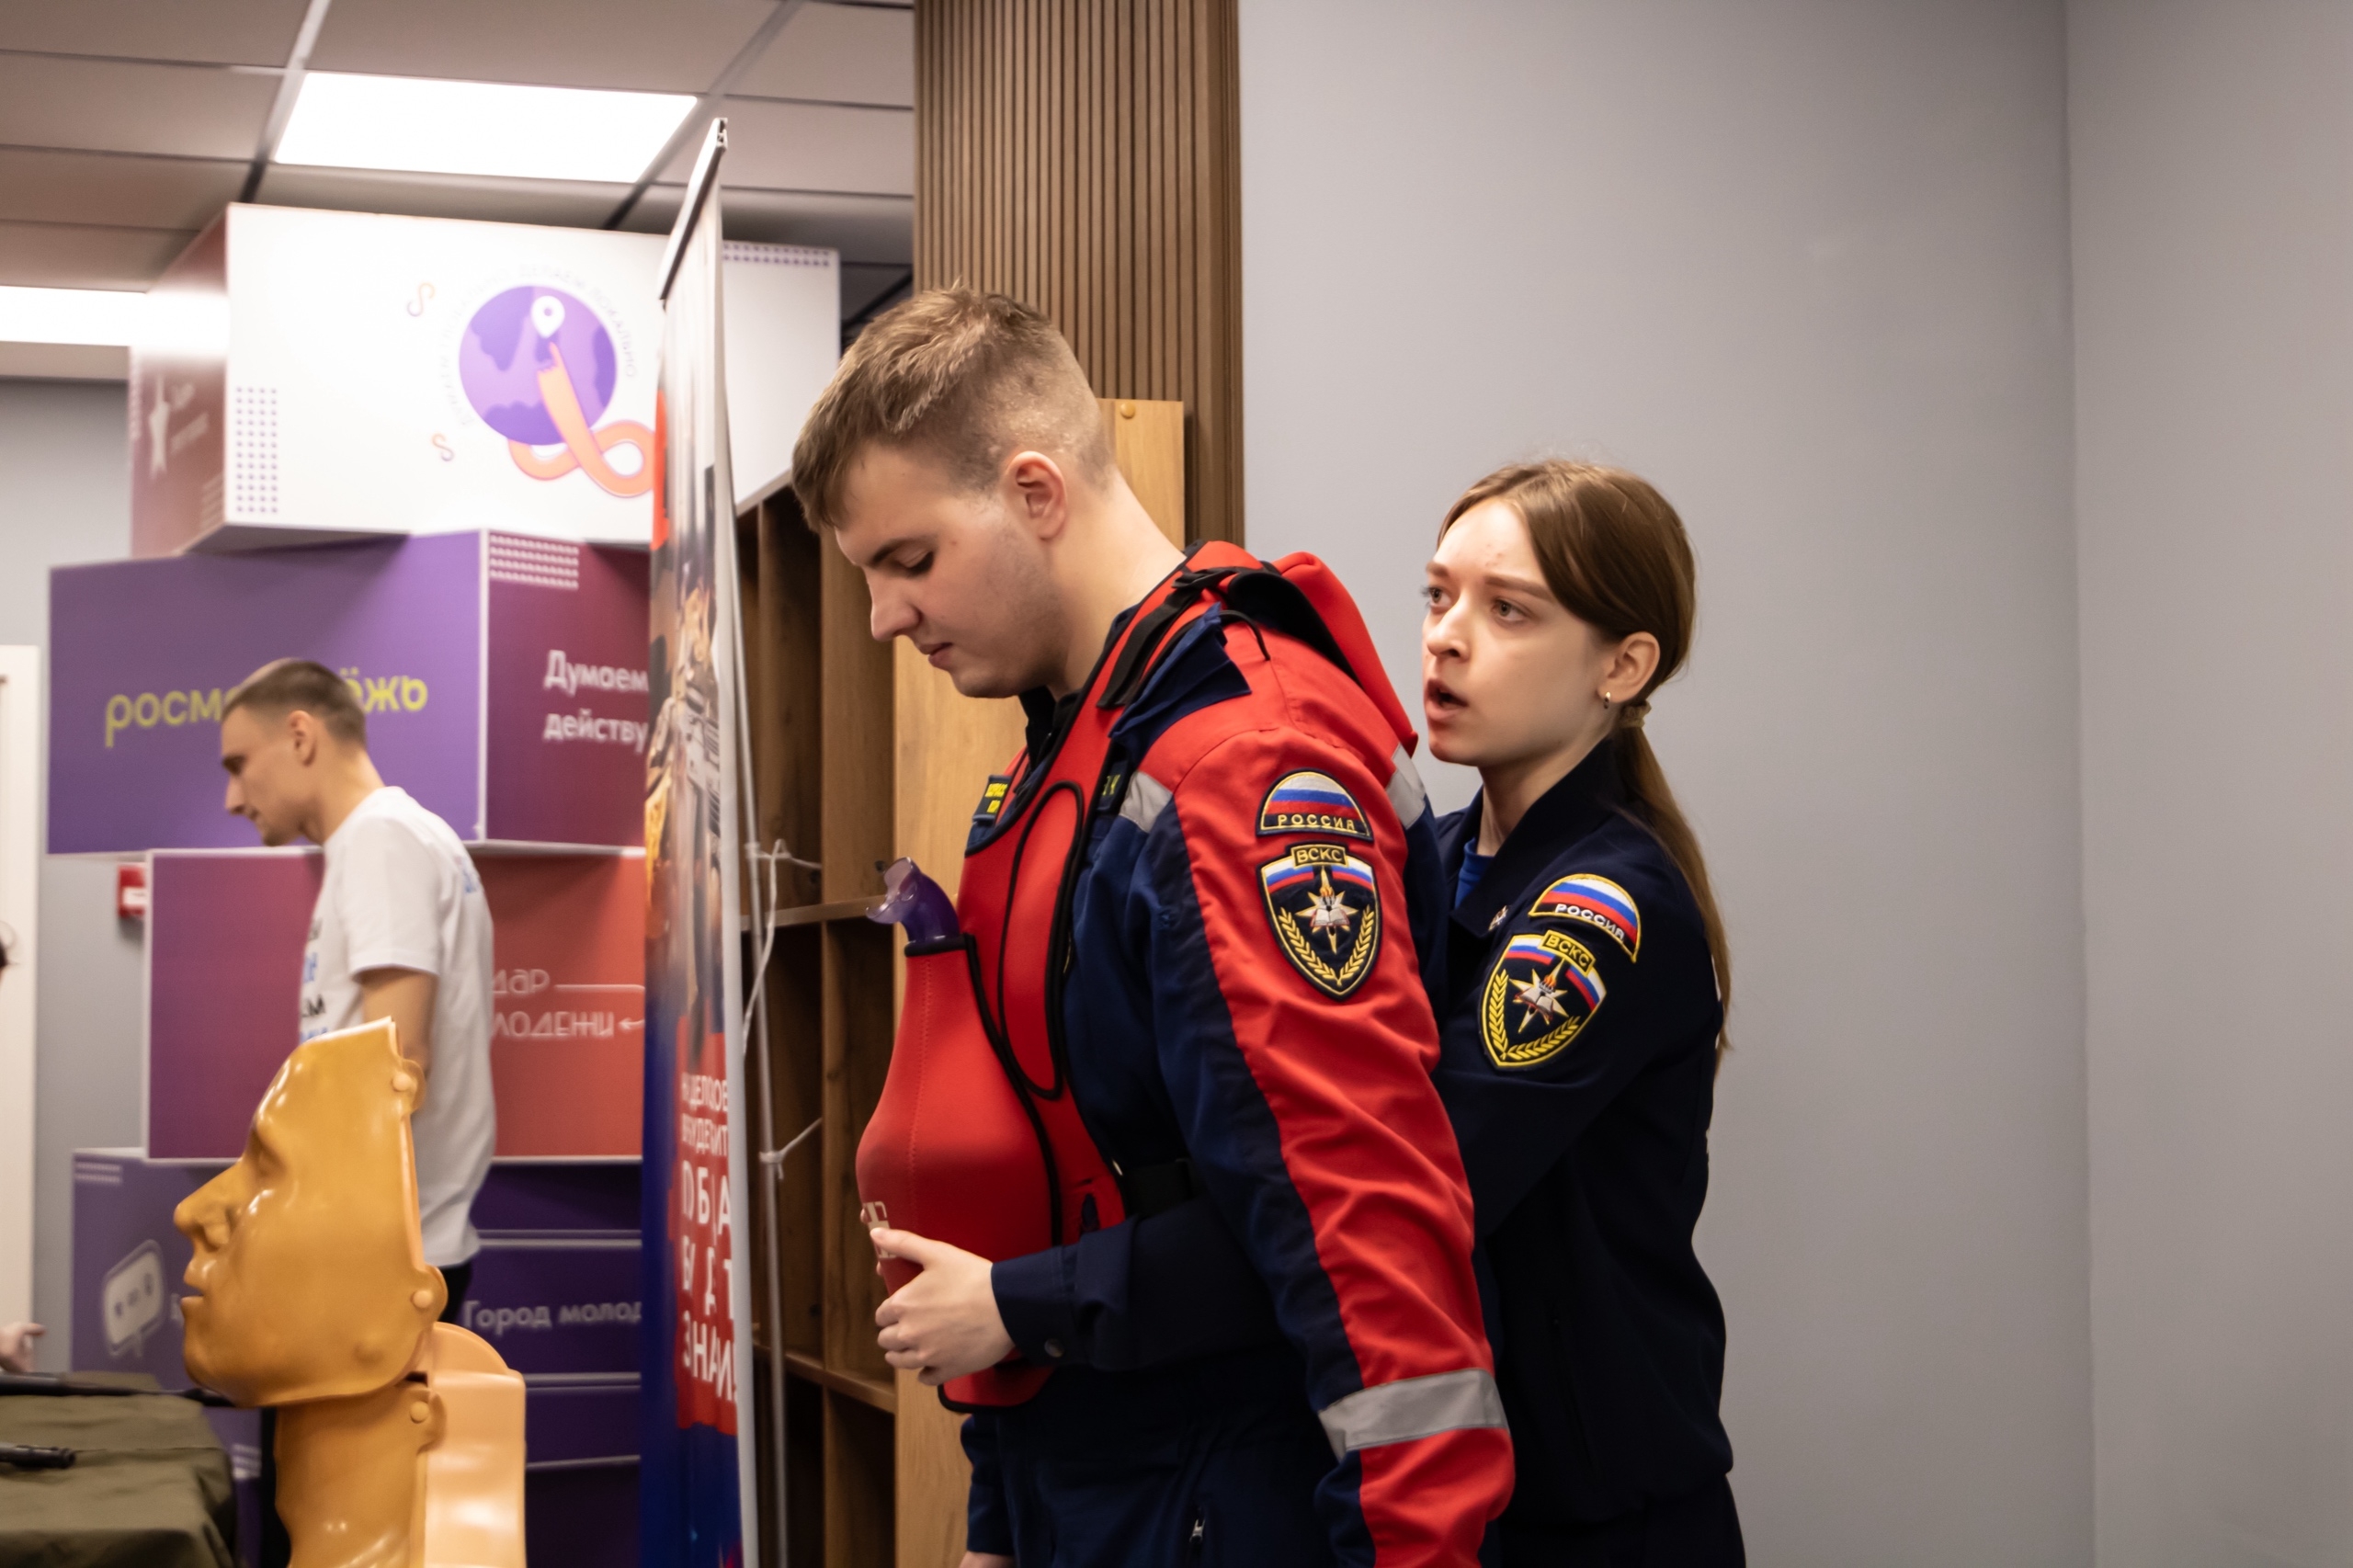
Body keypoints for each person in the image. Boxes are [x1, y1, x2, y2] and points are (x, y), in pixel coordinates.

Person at [892, 460, 1744, 1566]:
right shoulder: (1435, 852)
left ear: (1622, 665)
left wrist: (1027, 1301)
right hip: (1460, 1489)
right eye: (1438, 595)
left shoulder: (1601, 913)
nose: (1444, 638)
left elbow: (1374, 1195)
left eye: (1508, 610)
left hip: (1595, 1522)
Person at [790, 287, 1511, 1567]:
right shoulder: (1067, 755)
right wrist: (1000, 1519)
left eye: (909, 560)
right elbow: (1050, 1167)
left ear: (1035, 490)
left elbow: (1364, 1232)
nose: (885, 617)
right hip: (1097, 1487)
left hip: (1227, 1496)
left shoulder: (1242, 768)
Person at [218, 658, 495, 1567]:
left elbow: (391, 1069)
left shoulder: (380, 841)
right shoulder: (399, 839)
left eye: (239, 764)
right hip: (385, 1259)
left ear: (301, 735)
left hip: (368, 1273)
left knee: (341, 1536)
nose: (232, 797)